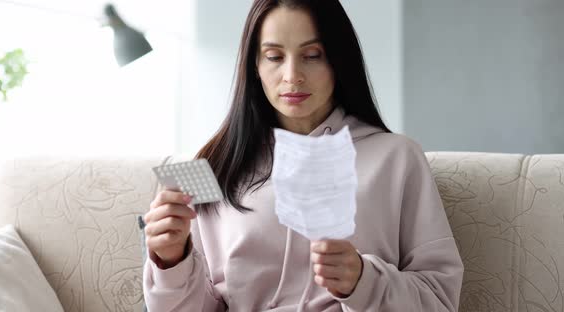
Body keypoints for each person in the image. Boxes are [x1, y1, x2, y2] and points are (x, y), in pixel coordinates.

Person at [142, 0, 464, 311]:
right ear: (255, 65)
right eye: (274, 56)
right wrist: (172, 262)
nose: (292, 75)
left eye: (312, 55)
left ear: (338, 60)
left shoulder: (397, 159)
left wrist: (363, 283)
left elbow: (439, 300)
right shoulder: (217, 167)